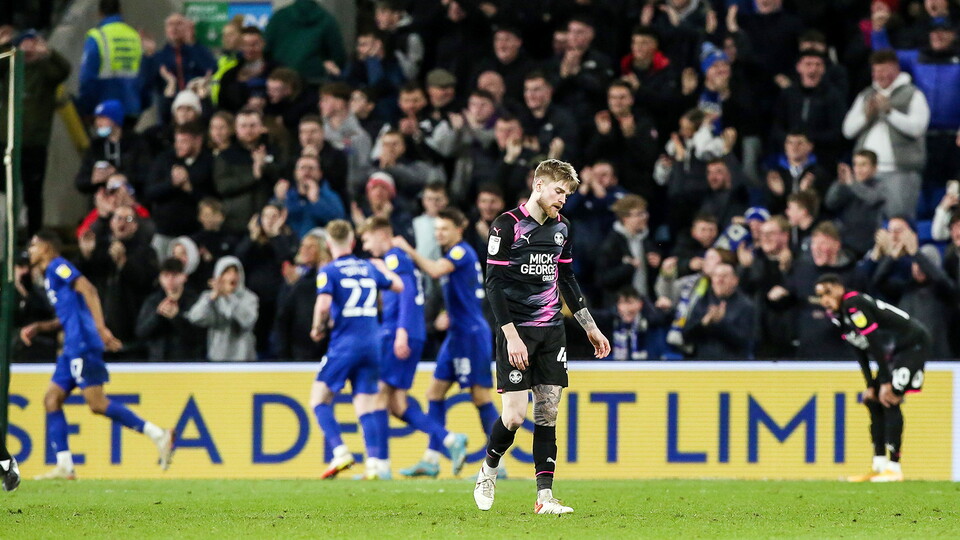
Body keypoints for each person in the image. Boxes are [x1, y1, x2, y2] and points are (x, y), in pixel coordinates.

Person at [475, 159, 611, 514]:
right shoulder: (506, 226)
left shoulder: (562, 228)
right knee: (515, 417)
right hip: (515, 332)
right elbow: (493, 285)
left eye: (567, 194)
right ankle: (489, 467)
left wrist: (590, 327)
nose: (563, 199)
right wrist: (511, 337)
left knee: (547, 413)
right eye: (558, 191)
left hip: (552, 331)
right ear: (538, 185)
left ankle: (544, 497)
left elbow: (567, 279)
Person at [28, 230, 175, 480]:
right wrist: (40, 327)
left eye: (33, 246)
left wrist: (101, 328)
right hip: (70, 349)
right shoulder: (49, 276)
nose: (30, 251)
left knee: (96, 404)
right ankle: (65, 465)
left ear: (45, 248)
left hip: (82, 344)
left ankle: (159, 434)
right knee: (51, 400)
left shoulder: (58, 267)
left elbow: (89, 290)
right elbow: (69, 314)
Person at [390, 208, 499, 478]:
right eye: (437, 229)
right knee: (434, 394)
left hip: (472, 335)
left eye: (444, 229)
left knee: (480, 397)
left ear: (458, 229)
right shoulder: (454, 254)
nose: (439, 233)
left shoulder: (460, 252)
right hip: (457, 334)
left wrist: (409, 250)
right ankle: (431, 459)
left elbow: (436, 271)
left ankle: (498, 465)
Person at [359, 217, 468, 477]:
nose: (365, 244)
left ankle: (380, 465)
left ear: (382, 234)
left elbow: (407, 294)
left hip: (399, 332)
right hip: (408, 332)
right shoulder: (395, 260)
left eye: (367, 238)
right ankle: (450, 440)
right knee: (397, 403)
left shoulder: (394, 257)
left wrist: (401, 333)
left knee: (379, 395)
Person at [308, 220, 402, 480]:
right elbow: (398, 286)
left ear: (328, 244)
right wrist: (382, 267)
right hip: (372, 344)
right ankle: (374, 464)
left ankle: (339, 451)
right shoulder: (368, 266)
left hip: (345, 344)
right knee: (365, 404)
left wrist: (317, 328)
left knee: (319, 399)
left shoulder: (329, 271)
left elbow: (324, 304)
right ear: (352, 242)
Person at [814, 273, 931, 482]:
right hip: (892, 353)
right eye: (821, 295)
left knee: (890, 397)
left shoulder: (853, 304)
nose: (825, 300)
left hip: (912, 344)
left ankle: (894, 468)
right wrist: (870, 384)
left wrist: (885, 382)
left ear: (840, 288)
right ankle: (879, 465)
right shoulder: (838, 315)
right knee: (873, 400)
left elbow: (874, 341)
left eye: (828, 292)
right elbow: (859, 349)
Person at [842, 49, 930, 220]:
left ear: (896, 69)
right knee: (865, 221)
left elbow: (918, 128)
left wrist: (889, 112)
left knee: (898, 220)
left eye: (883, 70)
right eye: (875, 71)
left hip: (901, 172)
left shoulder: (913, 94)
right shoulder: (866, 95)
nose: (878, 75)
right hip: (867, 173)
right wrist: (867, 116)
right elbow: (848, 130)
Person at [77, 0, 147, 119]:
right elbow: (145, 76)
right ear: (120, 11)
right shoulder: (134, 36)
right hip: (131, 109)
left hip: (105, 109)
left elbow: (87, 78)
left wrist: (85, 108)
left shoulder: (97, 37)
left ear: (99, 13)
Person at [186, 255, 259, 361]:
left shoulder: (250, 298)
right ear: (219, 275)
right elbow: (195, 318)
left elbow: (247, 321)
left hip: (245, 359)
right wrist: (210, 299)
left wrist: (228, 297)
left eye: (236, 272)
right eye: (227, 272)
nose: (232, 276)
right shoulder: (210, 297)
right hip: (217, 359)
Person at [135, 257, 205, 361]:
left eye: (175, 275)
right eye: (166, 275)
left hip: (186, 363)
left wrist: (176, 318)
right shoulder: (153, 301)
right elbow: (140, 332)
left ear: (184, 277)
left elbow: (199, 336)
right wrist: (158, 315)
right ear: (160, 278)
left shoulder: (194, 301)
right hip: (158, 362)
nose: (170, 279)